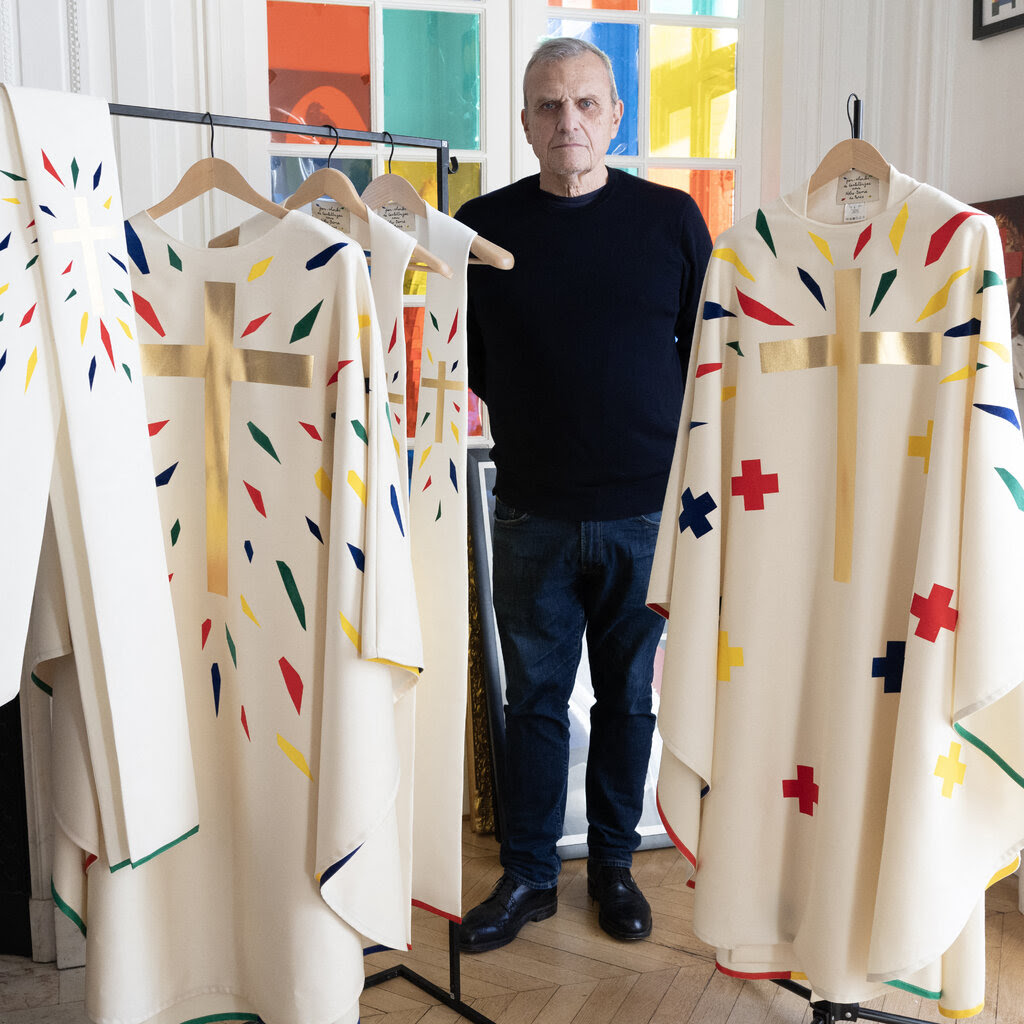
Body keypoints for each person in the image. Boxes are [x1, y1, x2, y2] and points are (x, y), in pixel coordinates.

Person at [454, 36, 713, 952]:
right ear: (525, 122)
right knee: (534, 702)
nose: (570, 122)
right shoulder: (478, 229)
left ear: (616, 115)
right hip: (531, 508)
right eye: (550, 106)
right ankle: (528, 875)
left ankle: (611, 865)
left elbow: (701, 362)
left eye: (587, 104)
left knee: (628, 699)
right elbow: (469, 361)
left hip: (646, 509)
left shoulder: (674, 222)